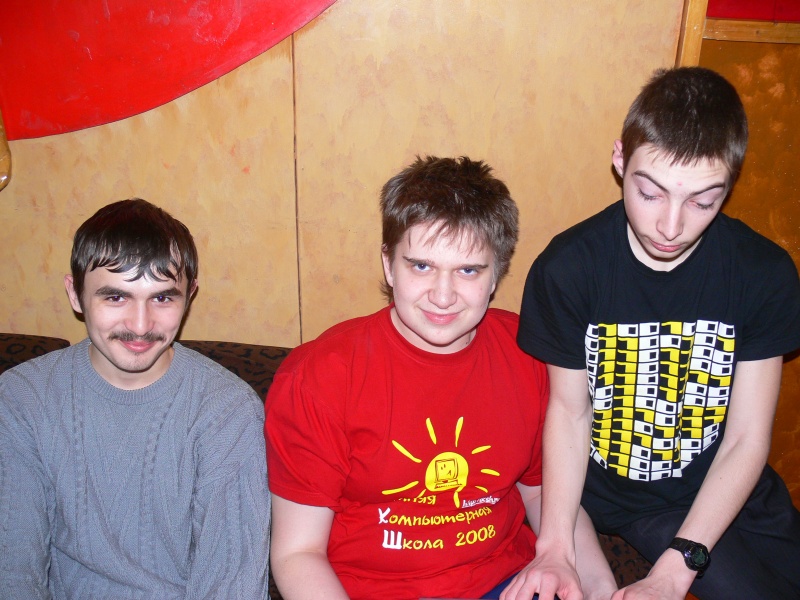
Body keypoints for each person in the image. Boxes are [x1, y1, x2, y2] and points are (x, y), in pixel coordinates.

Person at [265, 156, 617, 600]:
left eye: (468, 270)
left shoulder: (530, 355)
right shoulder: (319, 377)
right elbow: (297, 553)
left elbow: (543, 498)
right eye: (421, 266)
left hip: (506, 582)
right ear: (388, 265)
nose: (443, 296)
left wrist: (602, 587)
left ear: (496, 273)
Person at [512, 67, 800, 600]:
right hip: (635, 502)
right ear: (620, 159)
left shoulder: (763, 273)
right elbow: (569, 413)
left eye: (702, 202)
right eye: (650, 193)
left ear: (731, 183)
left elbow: (746, 437)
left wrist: (675, 570)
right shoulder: (569, 270)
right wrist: (555, 547)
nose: (670, 226)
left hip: (733, 481)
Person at [0, 199, 271, 598]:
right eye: (115, 297)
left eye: (162, 298)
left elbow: (232, 585)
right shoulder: (22, 399)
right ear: (75, 295)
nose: (140, 326)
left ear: (190, 296)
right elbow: (13, 569)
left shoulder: (227, 411)